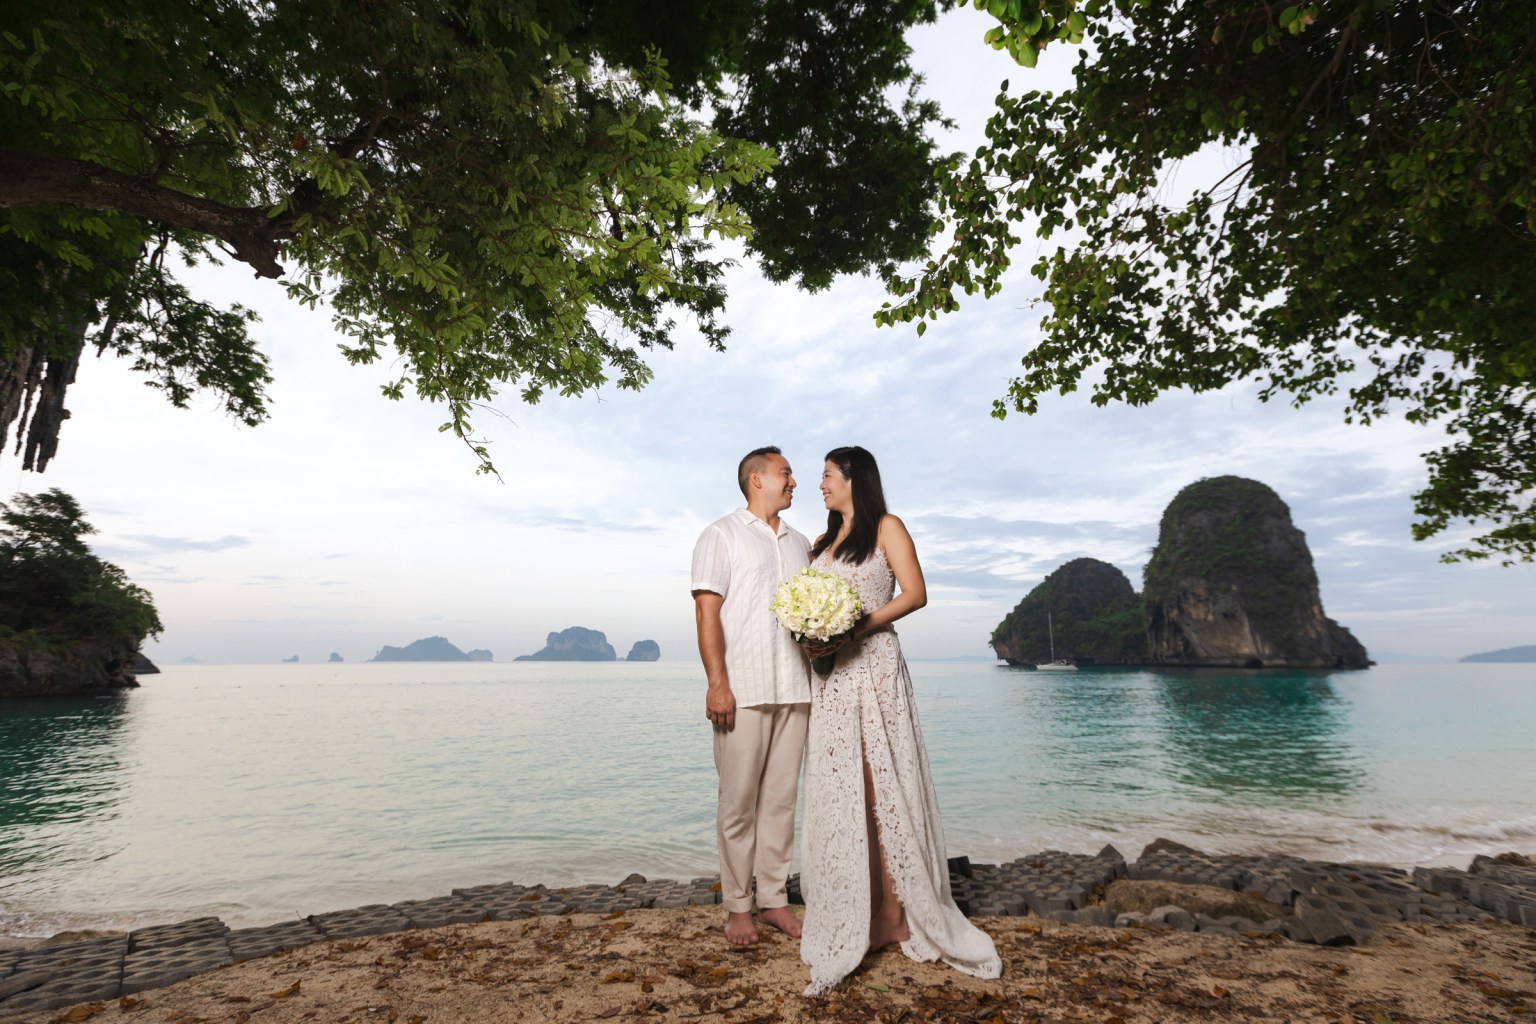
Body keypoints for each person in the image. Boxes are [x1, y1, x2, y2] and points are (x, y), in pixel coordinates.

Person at [799, 446, 1002, 995]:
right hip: (833, 679)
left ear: (853, 479)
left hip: (874, 667)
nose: (821, 484)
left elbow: (916, 595)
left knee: (881, 785)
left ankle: (896, 914)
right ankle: (859, 908)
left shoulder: (887, 526)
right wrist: (813, 635)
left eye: (827, 475)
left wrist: (855, 628)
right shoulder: (822, 542)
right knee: (843, 790)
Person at [691, 446, 813, 946]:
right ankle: (738, 907)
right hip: (742, 689)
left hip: (797, 688)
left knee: (781, 802)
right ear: (756, 479)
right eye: (786, 473)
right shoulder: (720, 535)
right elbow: (707, 613)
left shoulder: (802, 543)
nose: (794, 481)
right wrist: (717, 683)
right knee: (738, 804)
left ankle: (774, 901)